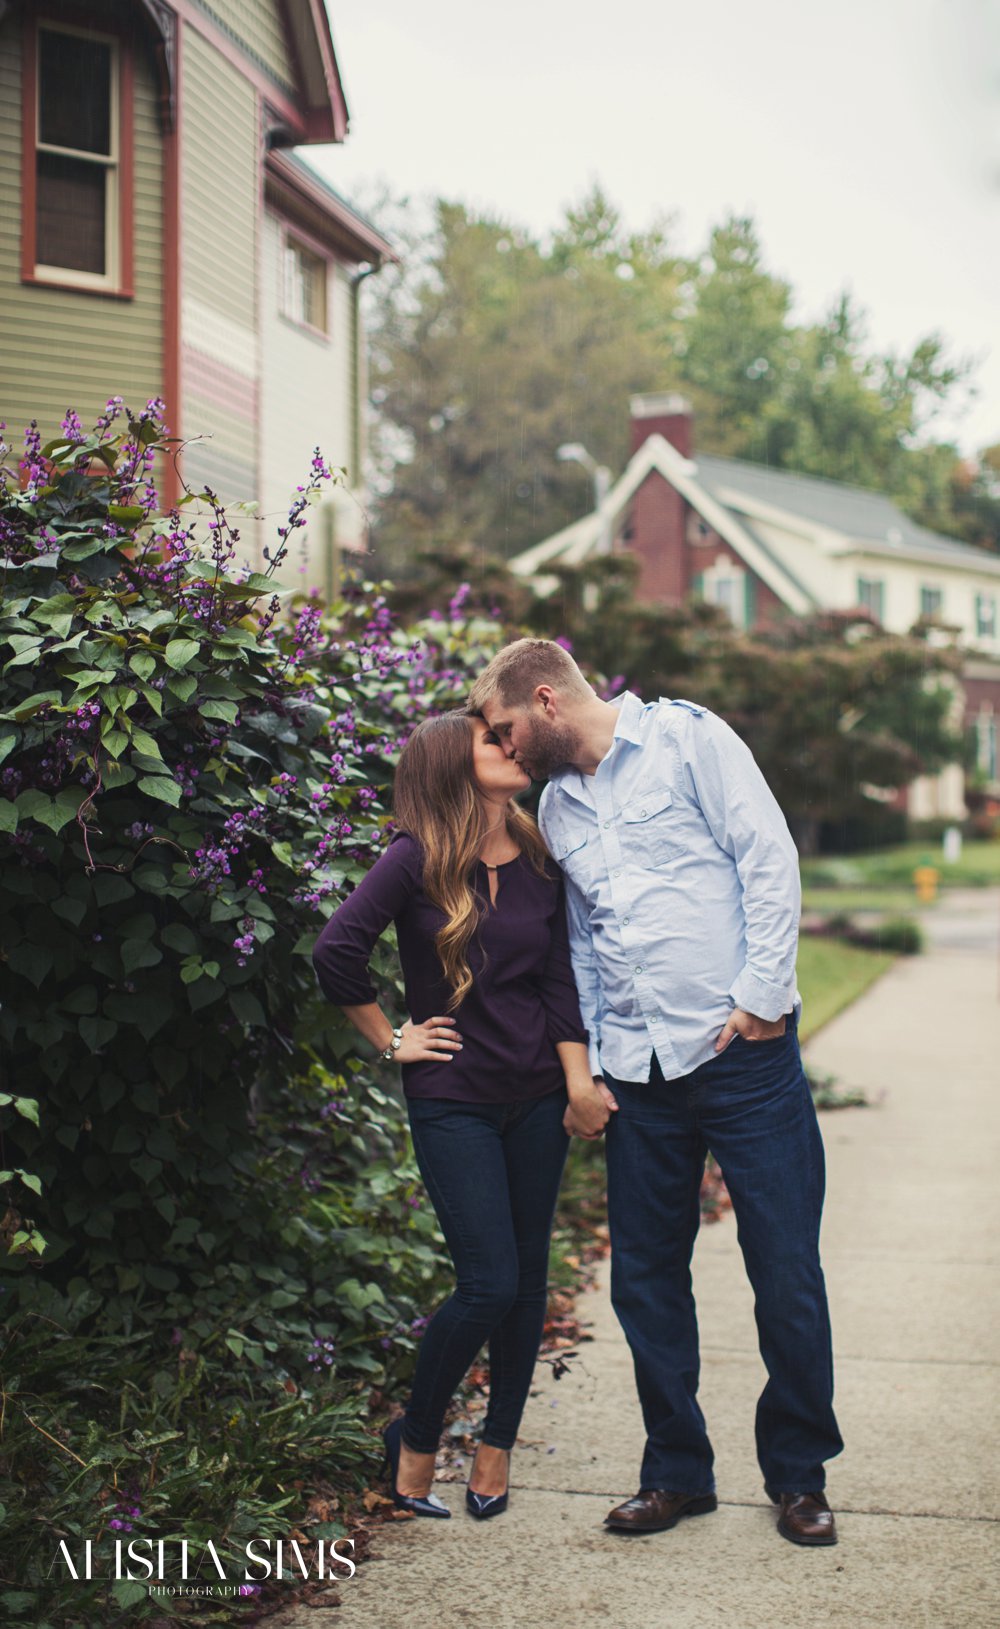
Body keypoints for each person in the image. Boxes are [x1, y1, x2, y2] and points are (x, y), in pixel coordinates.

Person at [469, 639, 843, 1548]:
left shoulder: (688, 741)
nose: (507, 750)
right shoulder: (557, 807)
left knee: (785, 1269)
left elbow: (767, 859)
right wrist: (592, 1061)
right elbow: (583, 943)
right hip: (639, 1074)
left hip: (742, 1059)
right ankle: (677, 1470)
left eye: (509, 730)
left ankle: (798, 1475)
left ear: (547, 702)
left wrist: (760, 999)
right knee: (644, 1279)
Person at [311, 711, 604, 1521]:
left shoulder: (539, 855)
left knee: (528, 1278)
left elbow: (558, 980)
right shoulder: (415, 859)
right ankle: (414, 1436)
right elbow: (336, 950)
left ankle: (496, 1445)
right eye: (493, 742)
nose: (514, 748)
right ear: (454, 765)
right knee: (488, 1282)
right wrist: (390, 1039)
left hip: (538, 1097)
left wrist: (576, 1081)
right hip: (454, 1101)